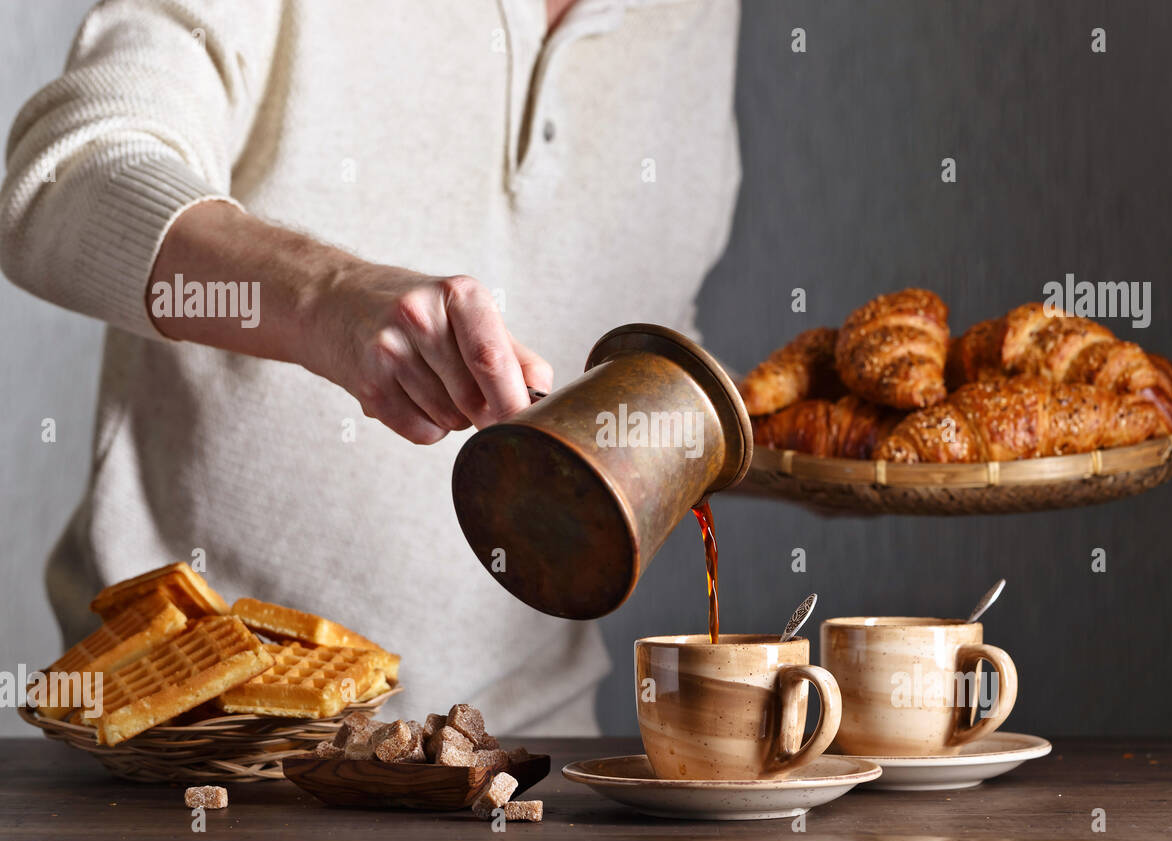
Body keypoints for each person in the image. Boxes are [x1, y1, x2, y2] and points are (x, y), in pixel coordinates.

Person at [0, 0, 741, 732]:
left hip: (522, 756)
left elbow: (658, 336)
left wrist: (785, 452)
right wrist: (323, 298)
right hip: (201, 742)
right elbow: (64, 177)